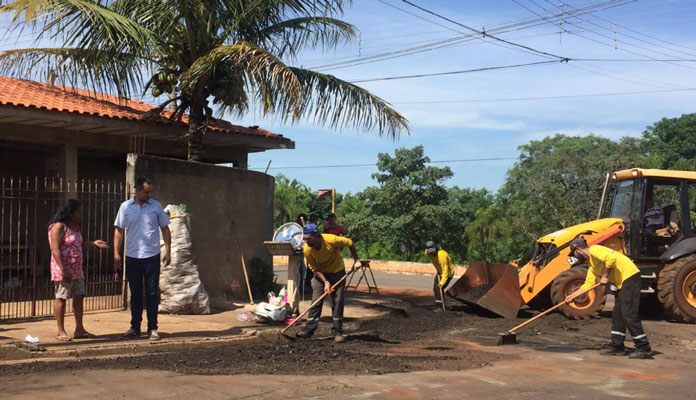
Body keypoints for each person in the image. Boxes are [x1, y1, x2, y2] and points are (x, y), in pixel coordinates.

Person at [566, 237, 652, 359]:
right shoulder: (592, 264)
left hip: (630, 277)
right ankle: (617, 346)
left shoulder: (595, 249)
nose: (574, 256)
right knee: (618, 314)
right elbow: (588, 284)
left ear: (578, 249)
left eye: (574, 253)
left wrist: (605, 276)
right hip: (621, 283)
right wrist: (573, 296)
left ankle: (643, 347)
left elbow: (611, 258)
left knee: (628, 313)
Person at [114, 177, 171, 340]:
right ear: (137, 190)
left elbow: (165, 229)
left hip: (152, 256)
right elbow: (118, 230)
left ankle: (152, 328)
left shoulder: (156, 207)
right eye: (146, 191)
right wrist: (116, 253)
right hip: (132, 256)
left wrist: (168, 251)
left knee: (152, 292)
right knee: (136, 293)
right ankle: (135, 328)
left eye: (150, 191)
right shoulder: (125, 207)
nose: (149, 194)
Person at [48, 199, 109, 341]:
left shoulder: (75, 226)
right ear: (70, 213)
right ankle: (60, 331)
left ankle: (79, 329)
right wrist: (63, 269)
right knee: (61, 298)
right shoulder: (58, 227)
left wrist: (93, 243)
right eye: (78, 212)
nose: (81, 215)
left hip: (76, 268)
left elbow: (77, 244)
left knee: (79, 296)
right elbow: (55, 249)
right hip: (63, 269)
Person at [296, 224, 359, 343]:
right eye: (305, 239)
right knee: (316, 301)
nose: (307, 241)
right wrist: (325, 282)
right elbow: (314, 269)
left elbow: (350, 242)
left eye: (309, 238)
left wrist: (356, 260)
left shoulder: (331, 239)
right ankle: (308, 330)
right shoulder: (307, 250)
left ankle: (337, 331)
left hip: (337, 272)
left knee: (337, 301)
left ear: (317, 235)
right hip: (321, 275)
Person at [425, 241, 455, 306]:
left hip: (448, 273)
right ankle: (438, 302)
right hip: (439, 272)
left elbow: (445, 270)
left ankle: (440, 305)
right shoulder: (428, 253)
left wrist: (442, 282)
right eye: (430, 252)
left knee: (439, 288)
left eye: (433, 252)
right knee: (435, 288)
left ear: (436, 248)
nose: (432, 253)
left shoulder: (442, 255)